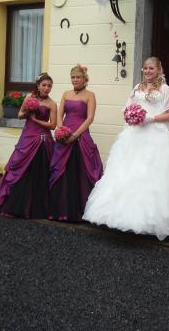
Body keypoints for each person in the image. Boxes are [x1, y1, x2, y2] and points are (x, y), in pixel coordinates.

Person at [83, 57, 169, 240]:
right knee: (128, 172)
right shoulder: (137, 87)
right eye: (145, 68)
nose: (147, 71)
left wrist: (151, 118)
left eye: (151, 68)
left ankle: (153, 220)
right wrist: (130, 115)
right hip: (135, 135)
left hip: (157, 135)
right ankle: (122, 216)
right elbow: (127, 108)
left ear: (159, 69)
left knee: (153, 174)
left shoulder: (165, 89)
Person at [0, 73, 57, 218]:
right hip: (27, 138)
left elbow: (53, 125)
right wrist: (28, 110)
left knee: (39, 172)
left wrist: (36, 120)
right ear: (38, 86)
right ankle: (14, 206)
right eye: (44, 85)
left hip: (42, 140)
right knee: (21, 169)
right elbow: (20, 115)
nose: (46, 88)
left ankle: (37, 209)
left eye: (49, 86)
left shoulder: (52, 104)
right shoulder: (29, 97)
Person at [48, 65, 103, 222]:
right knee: (61, 172)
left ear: (85, 79)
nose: (75, 80)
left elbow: (90, 118)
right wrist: (61, 130)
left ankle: (79, 211)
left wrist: (75, 135)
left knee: (79, 173)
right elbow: (60, 115)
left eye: (78, 77)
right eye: (73, 77)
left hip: (80, 137)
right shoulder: (66, 94)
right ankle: (59, 210)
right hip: (64, 137)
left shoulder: (90, 95)